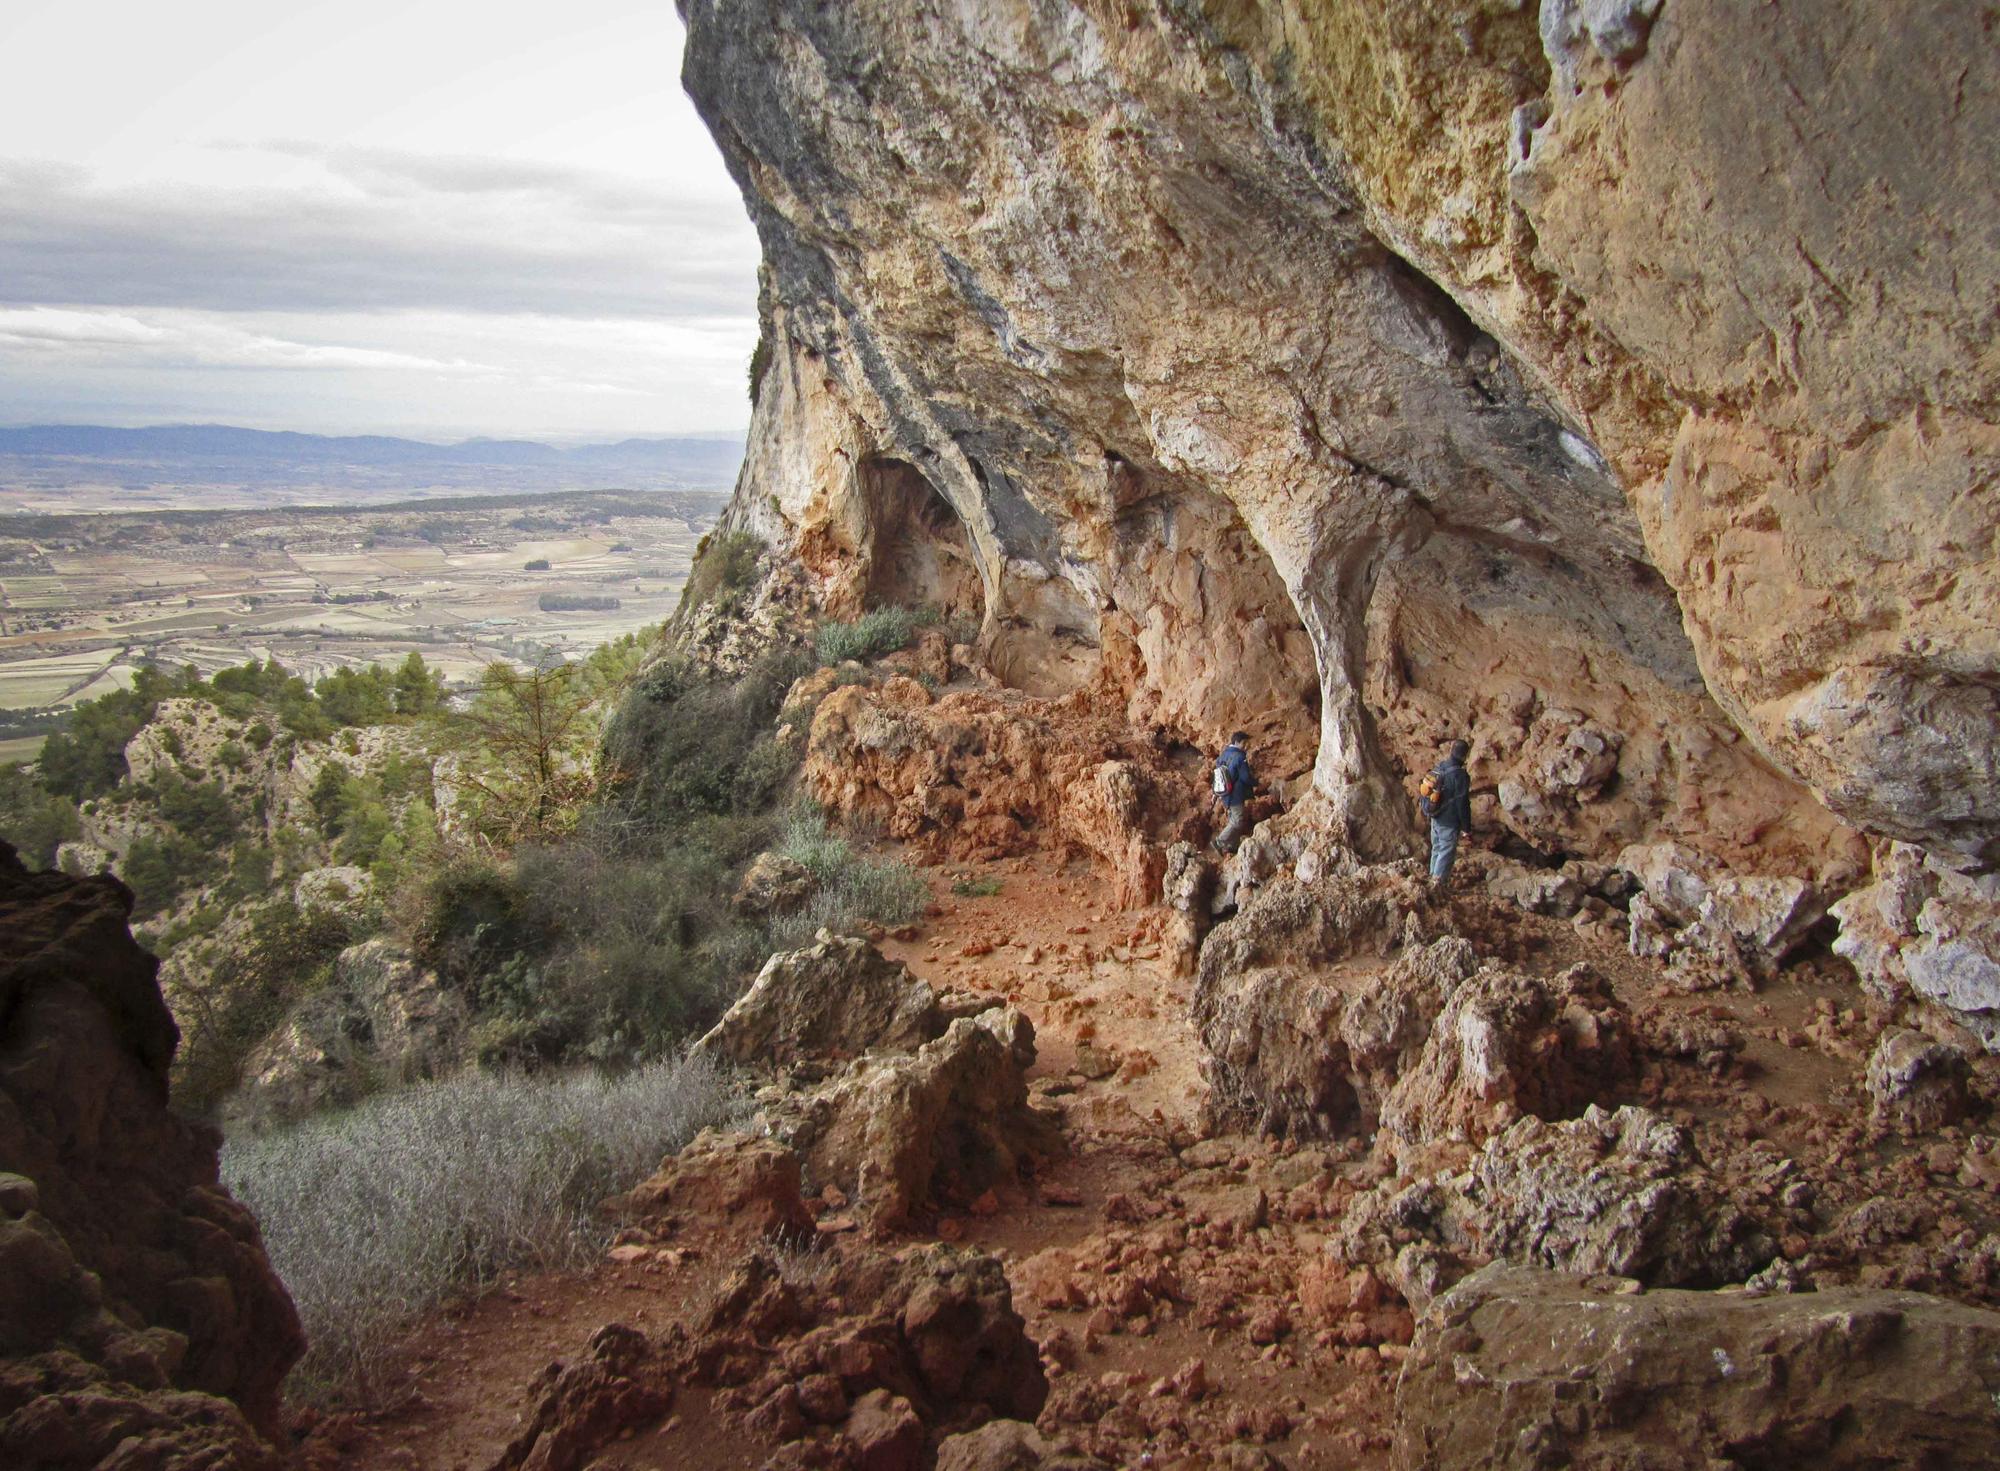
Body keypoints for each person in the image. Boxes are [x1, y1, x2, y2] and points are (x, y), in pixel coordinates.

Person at [1419, 738, 1473, 890]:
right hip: (1449, 822)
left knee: (1436, 848)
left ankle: (1431, 878)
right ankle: (1437, 887)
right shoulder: (1460, 776)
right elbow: (1462, 804)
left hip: (1435, 816)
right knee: (1446, 852)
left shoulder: (1440, 766)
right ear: (1464, 756)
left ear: (1451, 751)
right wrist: (1466, 828)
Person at [1212, 731, 1255, 854]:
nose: (1246, 746)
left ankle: (1232, 846)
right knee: (1238, 820)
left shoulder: (1224, 755)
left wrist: (1215, 794)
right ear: (1237, 742)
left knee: (1233, 817)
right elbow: (1245, 777)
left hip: (1225, 793)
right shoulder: (1240, 757)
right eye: (1244, 743)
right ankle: (1219, 842)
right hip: (1236, 794)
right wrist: (1257, 783)